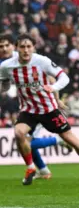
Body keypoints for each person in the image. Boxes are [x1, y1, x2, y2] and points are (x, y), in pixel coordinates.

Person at [0, 34, 79, 185]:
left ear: (34, 47)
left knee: (71, 139)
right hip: (28, 110)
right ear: (17, 48)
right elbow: (4, 84)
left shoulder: (41, 61)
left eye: (28, 46)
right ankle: (31, 168)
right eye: (22, 47)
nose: (25, 50)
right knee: (18, 133)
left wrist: (54, 88)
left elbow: (64, 77)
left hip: (48, 109)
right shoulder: (6, 66)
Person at [0, 34, 69, 180]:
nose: (4, 49)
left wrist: (56, 99)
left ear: (14, 46)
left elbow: (50, 78)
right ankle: (43, 170)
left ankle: (58, 141)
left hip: (41, 106)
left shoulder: (28, 57)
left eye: (7, 45)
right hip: (23, 105)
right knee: (25, 140)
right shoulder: (6, 64)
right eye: (1, 46)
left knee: (26, 140)